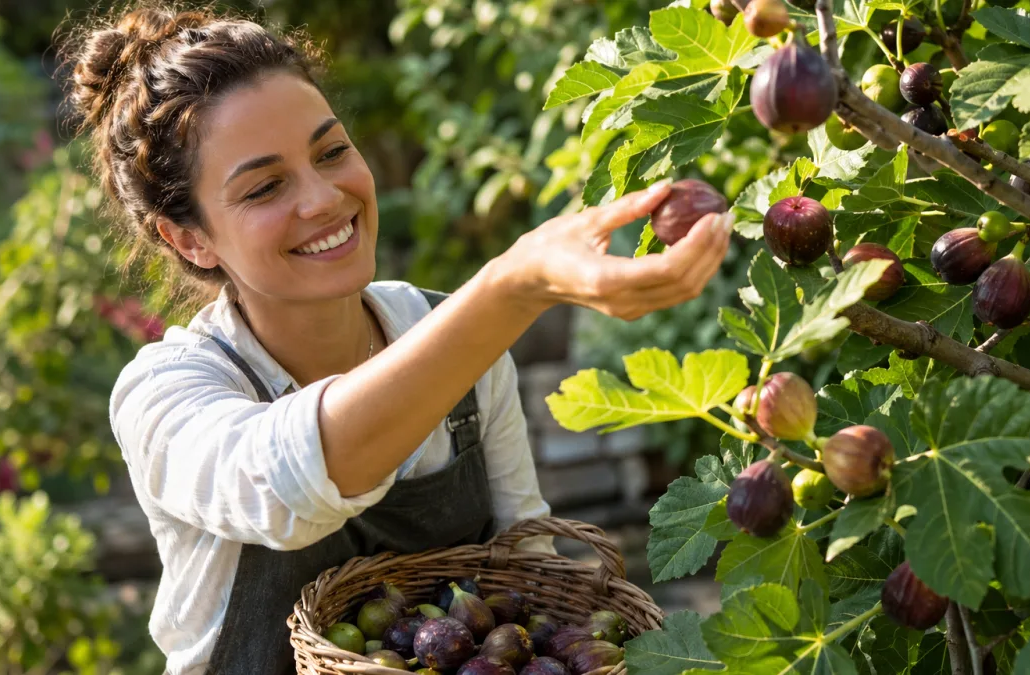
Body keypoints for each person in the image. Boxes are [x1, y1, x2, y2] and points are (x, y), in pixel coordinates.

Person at [61, 3, 732, 673]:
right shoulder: (166, 393)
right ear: (189, 239)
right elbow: (289, 484)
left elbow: (530, 580)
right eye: (265, 187)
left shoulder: (457, 339)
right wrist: (513, 287)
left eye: (331, 152)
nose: (324, 198)